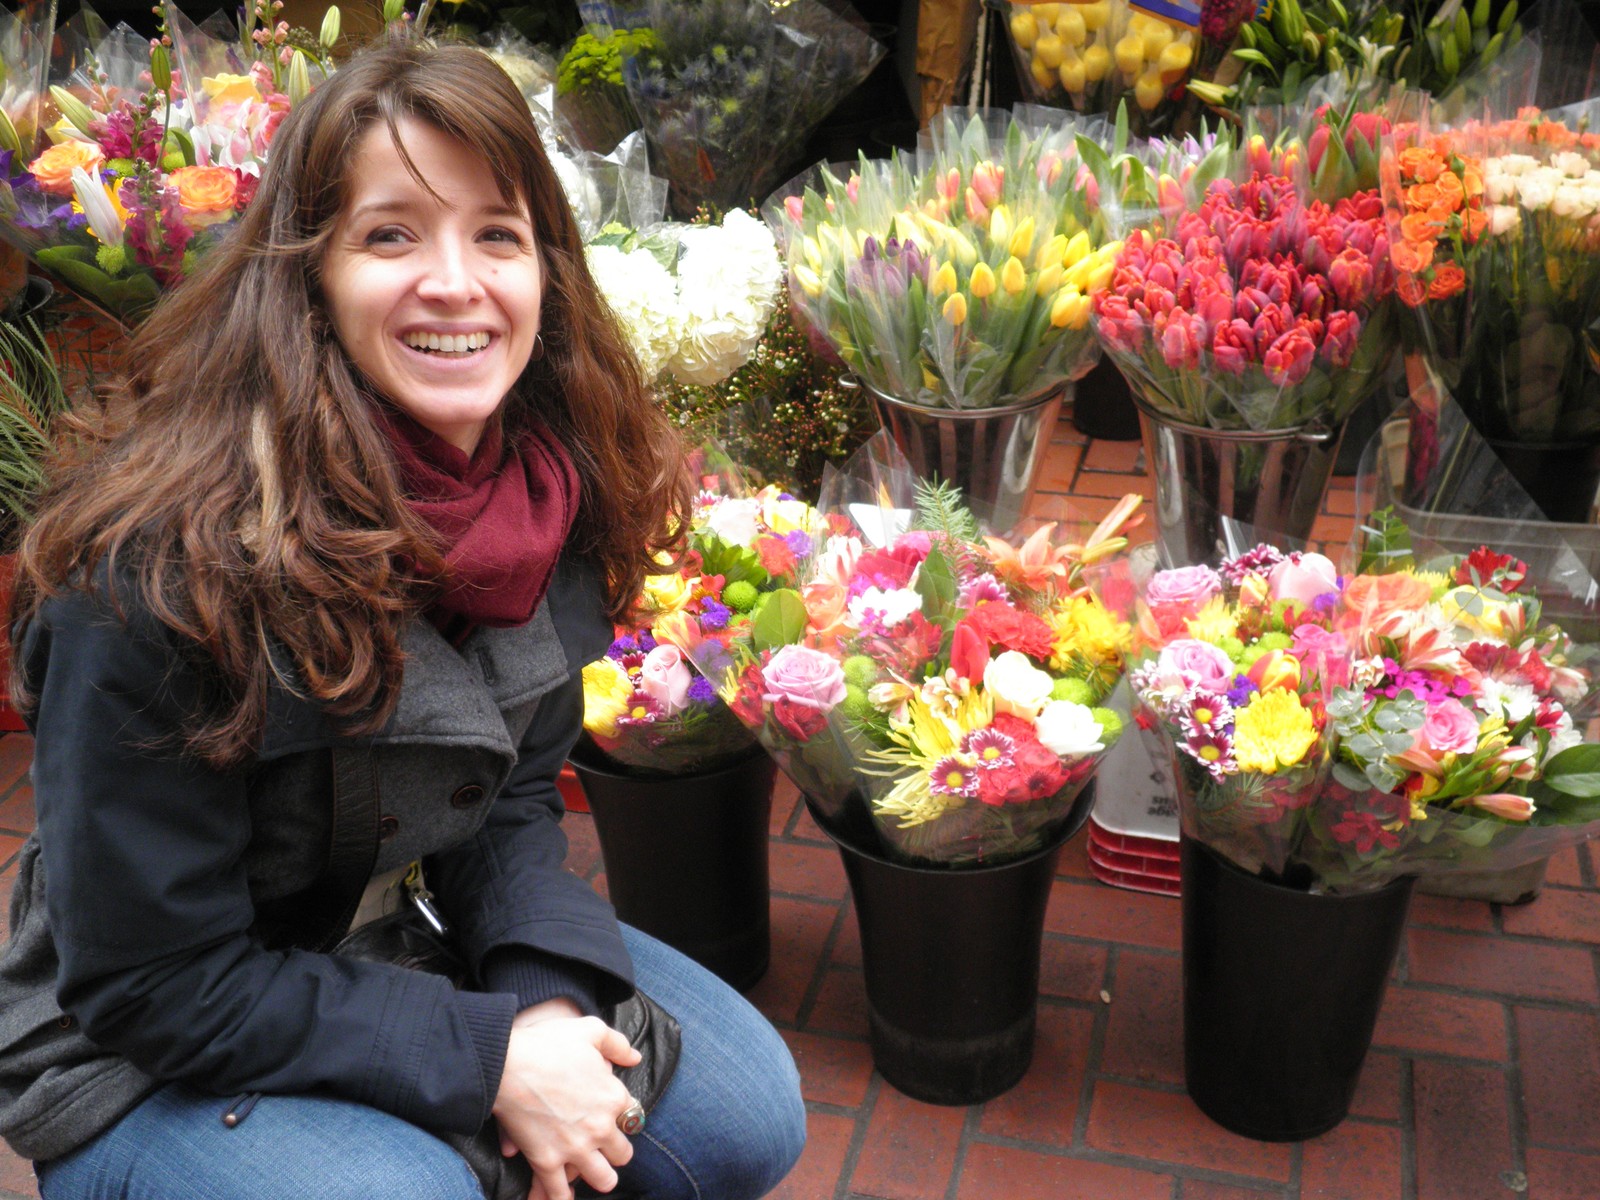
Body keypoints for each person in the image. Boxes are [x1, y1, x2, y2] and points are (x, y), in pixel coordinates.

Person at [0, 38, 806, 1200]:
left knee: (746, 1113)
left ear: (546, 274)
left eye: (497, 235)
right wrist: (486, 1059)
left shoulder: (546, 496)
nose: (456, 282)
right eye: (391, 235)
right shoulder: (156, 572)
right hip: (146, 1041)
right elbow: (153, 982)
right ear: (308, 276)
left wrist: (543, 1006)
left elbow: (508, 803)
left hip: (393, 927)